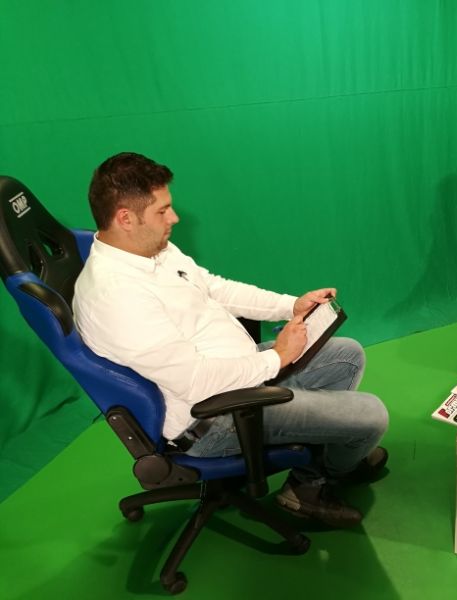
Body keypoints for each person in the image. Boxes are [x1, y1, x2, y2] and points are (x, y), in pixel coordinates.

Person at [72, 152, 389, 528]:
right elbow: (196, 383)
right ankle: (308, 489)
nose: (174, 218)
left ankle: (325, 460)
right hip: (214, 417)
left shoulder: (147, 249)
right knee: (371, 416)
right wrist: (277, 358)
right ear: (125, 218)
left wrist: (290, 306)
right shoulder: (116, 295)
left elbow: (213, 287)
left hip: (236, 371)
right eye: (163, 211)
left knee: (347, 356)